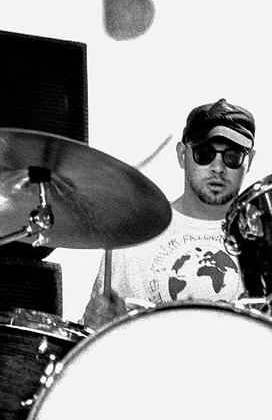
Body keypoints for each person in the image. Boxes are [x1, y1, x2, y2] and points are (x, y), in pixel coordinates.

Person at [82, 97, 256, 329]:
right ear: (182, 155)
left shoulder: (268, 242)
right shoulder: (135, 235)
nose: (218, 167)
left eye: (232, 156)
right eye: (204, 153)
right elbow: (92, 340)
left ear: (250, 160)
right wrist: (96, 326)